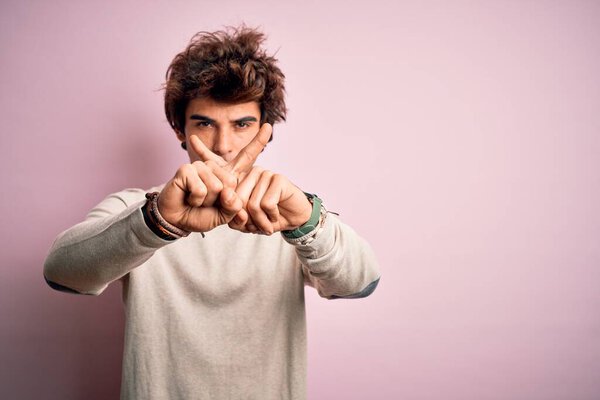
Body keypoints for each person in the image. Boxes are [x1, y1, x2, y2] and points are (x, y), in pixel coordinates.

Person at [44, 26, 381, 400]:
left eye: (242, 125)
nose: (223, 146)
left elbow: (361, 282)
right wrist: (157, 222)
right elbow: (61, 273)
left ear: (264, 134)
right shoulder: (137, 207)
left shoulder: (287, 210)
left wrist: (307, 222)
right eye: (204, 124)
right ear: (179, 130)